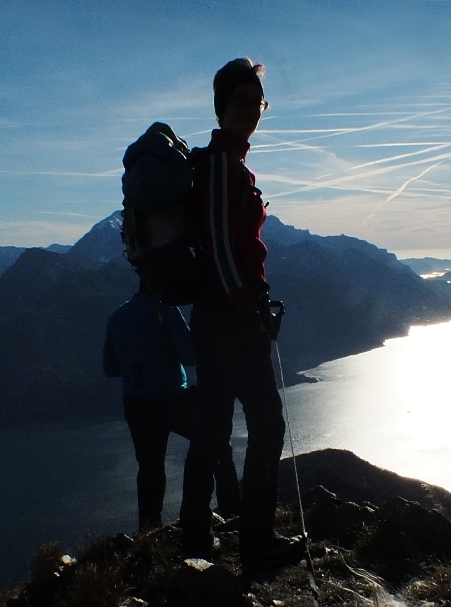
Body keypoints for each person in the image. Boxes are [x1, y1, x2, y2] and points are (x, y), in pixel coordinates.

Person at [180, 57, 304, 571]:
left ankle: (195, 539)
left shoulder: (229, 164)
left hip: (219, 316)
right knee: (266, 425)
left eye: (258, 103)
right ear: (221, 104)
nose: (252, 111)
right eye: (242, 102)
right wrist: (246, 306)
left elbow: (228, 245)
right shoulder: (218, 165)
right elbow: (220, 248)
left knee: (211, 427)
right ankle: (255, 542)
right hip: (229, 318)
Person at [103, 285, 241, 535]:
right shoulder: (166, 310)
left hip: (136, 403)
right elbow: (189, 356)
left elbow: (110, 367)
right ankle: (232, 513)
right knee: (217, 444)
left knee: (150, 467)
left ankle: (148, 532)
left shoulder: (117, 316)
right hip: (174, 398)